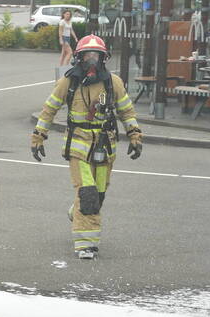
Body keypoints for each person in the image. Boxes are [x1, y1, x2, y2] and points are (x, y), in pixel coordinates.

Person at [30, 35, 143, 260]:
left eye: (96, 55)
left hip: (105, 144)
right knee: (88, 192)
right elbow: (49, 109)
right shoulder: (69, 82)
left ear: (103, 58)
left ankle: (77, 211)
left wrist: (135, 135)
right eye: (87, 55)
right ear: (79, 58)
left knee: (98, 193)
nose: (91, 59)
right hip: (79, 145)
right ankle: (86, 245)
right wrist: (38, 136)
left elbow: (126, 111)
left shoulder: (113, 83)